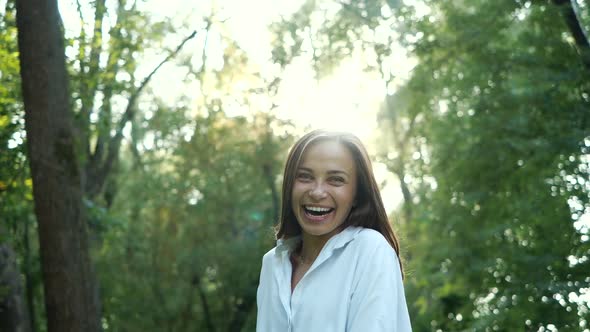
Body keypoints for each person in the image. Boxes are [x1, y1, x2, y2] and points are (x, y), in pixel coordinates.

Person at [256, 130, 412, 331]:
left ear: (357, 194)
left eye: (336, 180)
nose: (317, 192)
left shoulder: (371, 250)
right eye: (305, 176)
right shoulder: (272, 264)